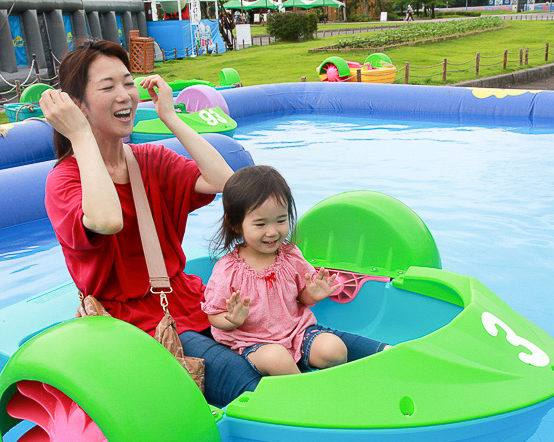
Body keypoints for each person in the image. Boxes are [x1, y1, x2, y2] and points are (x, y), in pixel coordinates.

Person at [40, 40, 262, 407]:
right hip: (135, 325)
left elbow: (226, 183)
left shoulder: (150, 159)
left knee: (275, 345)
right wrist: (79, 134)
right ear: (77, 105)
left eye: (128, 82)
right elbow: (108, 220)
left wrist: (171, 118)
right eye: (107, 87)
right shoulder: (64, 181)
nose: (125, 95)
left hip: (190, 301)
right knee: (242, 379)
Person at [202, 166, 389, 376]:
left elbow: (301, 298)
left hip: (297, 332)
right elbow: (213, 315)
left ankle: (338, 384)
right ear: (235, 224)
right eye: (260, 224)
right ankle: (304, 396)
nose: (272, 232)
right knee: (278, 360)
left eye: (281, 220)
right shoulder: (228, 270)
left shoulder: (290, 256)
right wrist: (232, 319)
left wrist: (312, 295)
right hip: (253, 341)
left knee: (334, 349)